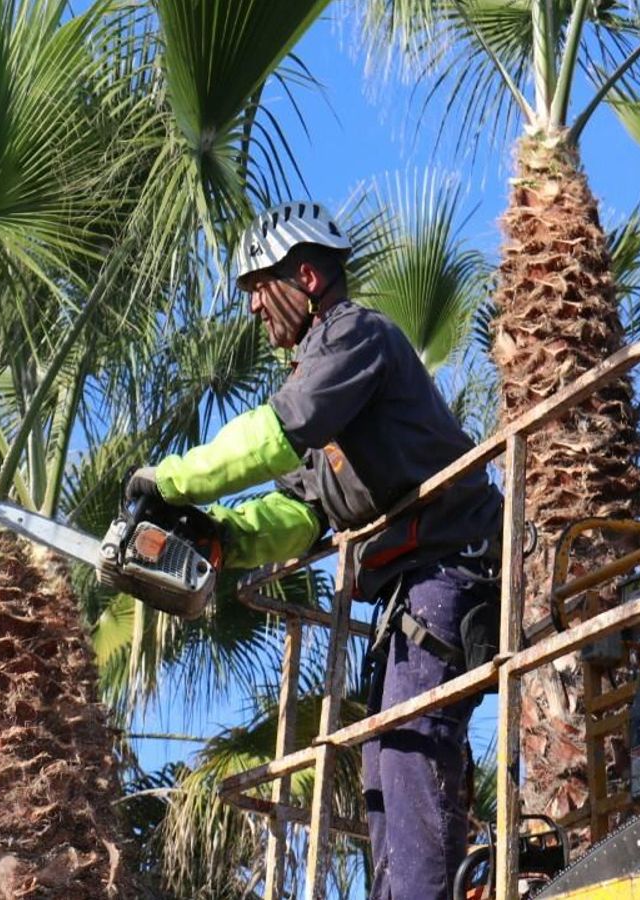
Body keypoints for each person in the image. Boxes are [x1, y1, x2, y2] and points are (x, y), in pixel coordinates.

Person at [123, 200, 504, 898]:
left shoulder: (355, 336)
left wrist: (171, 479)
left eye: (257, 291)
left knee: (410, 746)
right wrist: (224, 537)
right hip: (410, 592)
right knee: (383, 763)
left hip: (453, 570)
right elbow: (300, 512)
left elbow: (278, 431)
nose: (252, 312)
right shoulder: (324, 383)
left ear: (304, 275)